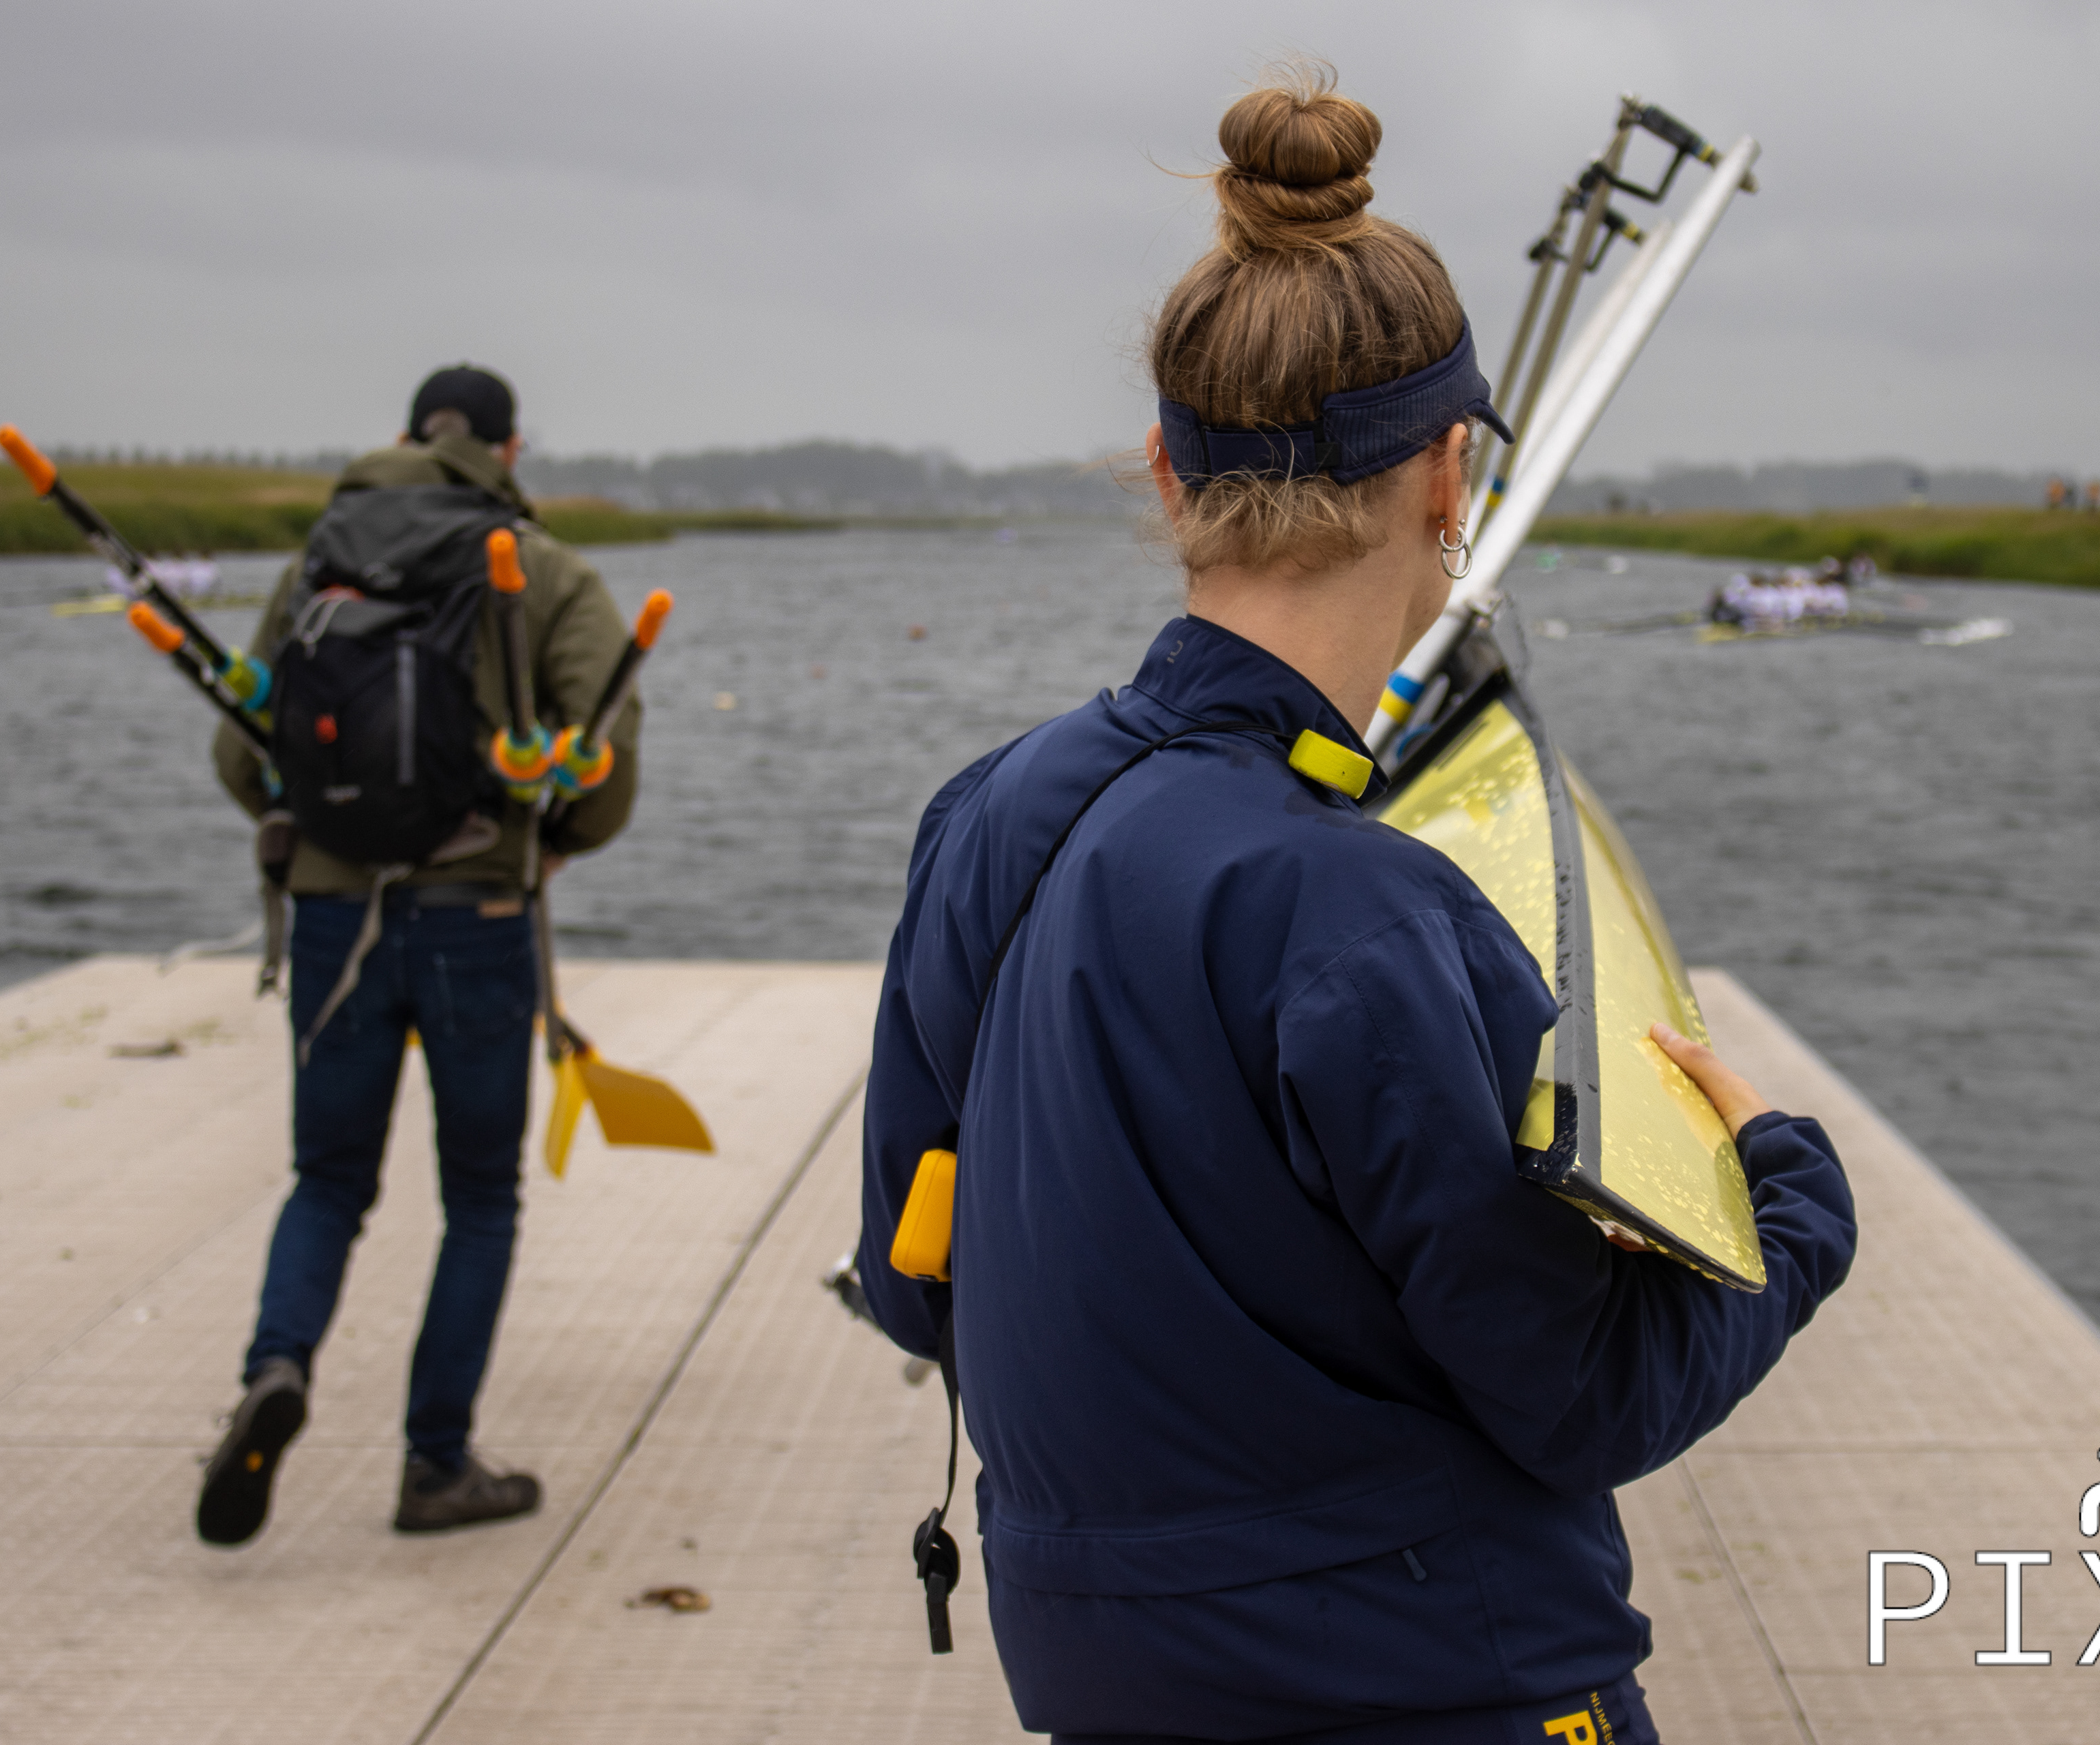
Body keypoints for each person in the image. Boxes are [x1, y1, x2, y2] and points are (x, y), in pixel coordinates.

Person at [855, 70, 1855, 1742]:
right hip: (1435, 1689)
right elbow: (1582, 1393)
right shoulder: (1369, 907)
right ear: (1450, 477)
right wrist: (1788, 1199)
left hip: (1104, 1683)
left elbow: (913, 1279)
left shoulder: (988, 817)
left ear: (1168, 473)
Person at [195, 365, 643, 1546]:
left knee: (327, 1179)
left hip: (332, 920)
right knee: (479, 1197)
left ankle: (276, 1364)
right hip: (476, 918)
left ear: (404, 436)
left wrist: (321, 847)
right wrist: (555, 839)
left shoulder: (322, 560)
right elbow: (609, 740)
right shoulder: (539, 568)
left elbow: (246, 753)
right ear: (508, 449)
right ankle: (436, 1465)